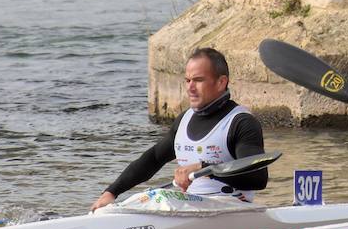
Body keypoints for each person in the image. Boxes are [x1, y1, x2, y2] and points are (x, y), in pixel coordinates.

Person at [89, 47, 268, 211]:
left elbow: (257, 179)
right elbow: (153, 158)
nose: (190, 87)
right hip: (191, 206)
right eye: (187, 80)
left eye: (198, 80)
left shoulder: (241, 123)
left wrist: (205, 168)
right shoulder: (185, 119)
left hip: (230, 208)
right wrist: (111, 192)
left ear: (221, 82)